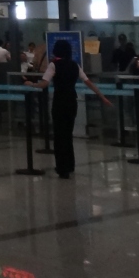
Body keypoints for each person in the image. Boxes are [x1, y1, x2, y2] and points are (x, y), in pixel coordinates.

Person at [25, 39, 110, 179]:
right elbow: (88, 82)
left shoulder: (53, 65)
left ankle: (62, 168)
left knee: (59, 135)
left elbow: (44, 84)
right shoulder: (75, 65)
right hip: (72, 101)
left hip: (59, 101)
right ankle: (70, 165)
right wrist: (102, 97)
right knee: (68, 134)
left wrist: (31, 84)